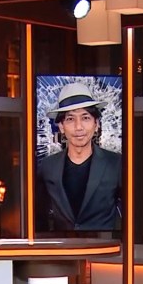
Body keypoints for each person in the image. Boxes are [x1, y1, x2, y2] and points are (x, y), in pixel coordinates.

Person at [36, 82, 121, 231]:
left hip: (104, 244)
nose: (78, 127)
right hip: (63, 244)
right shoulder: (48, 166)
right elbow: (39, 216)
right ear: (61, 127)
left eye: (85, 118)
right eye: (70, 119)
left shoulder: (116, 164)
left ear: (96, 124)